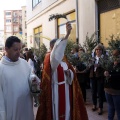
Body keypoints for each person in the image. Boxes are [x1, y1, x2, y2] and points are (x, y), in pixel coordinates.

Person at [36, 22, 88, 120]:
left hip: (66, 88)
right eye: (59, 47)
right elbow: (55, 56)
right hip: (56, 89)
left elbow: (71, 74)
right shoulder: (50, 58)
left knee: (67, 111)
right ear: (53, 47)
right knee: (57, 112)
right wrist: (67, 34)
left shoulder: (64, 60)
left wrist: (70, 74)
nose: (62, 49)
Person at [0, 36, 40, 120]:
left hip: (27, 108)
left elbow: (31, 76)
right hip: (12, 112)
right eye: (15, 49)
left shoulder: (24, 63)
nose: (18, 52)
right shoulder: (1, 68)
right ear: (6, 49)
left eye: (20, 49)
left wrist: (33, 79)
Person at [89, 43, 107, 115]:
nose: (98, 51)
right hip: (93, 76)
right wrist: (90, 64)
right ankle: (94, 104)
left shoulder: (104, 58)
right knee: (93, 92)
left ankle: (100, 107)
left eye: (99, 50)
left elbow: (106, 67)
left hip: (100, 77)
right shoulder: (92, 57)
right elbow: (89, 67)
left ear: (102, 51)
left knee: (100, 92)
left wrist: (100, 65)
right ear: (95, 51)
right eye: (97, 50)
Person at [104, 49, 120, 120]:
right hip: (108, 89)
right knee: (110, 107)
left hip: (116, 91)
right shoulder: (110, 63)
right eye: (113, 55)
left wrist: (110, 75)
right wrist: (105, 73)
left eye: (116, 55)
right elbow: (106, 70)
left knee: (118, 110)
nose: (115, 57)